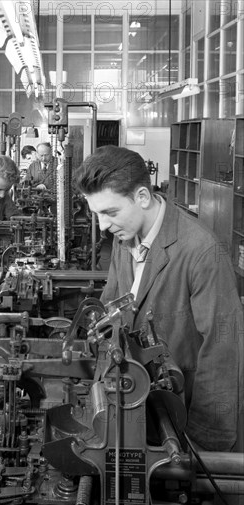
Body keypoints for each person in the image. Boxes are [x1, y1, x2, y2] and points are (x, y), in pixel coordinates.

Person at [73, 145, 243, 452]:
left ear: (142, 197)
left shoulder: (202, 252)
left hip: (181, 422)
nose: (103, 226)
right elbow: (112, 305)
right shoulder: (126, 237)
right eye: (95, 213)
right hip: (139, 407)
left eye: (110, 212)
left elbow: (224, 354)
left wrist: (205, 446)